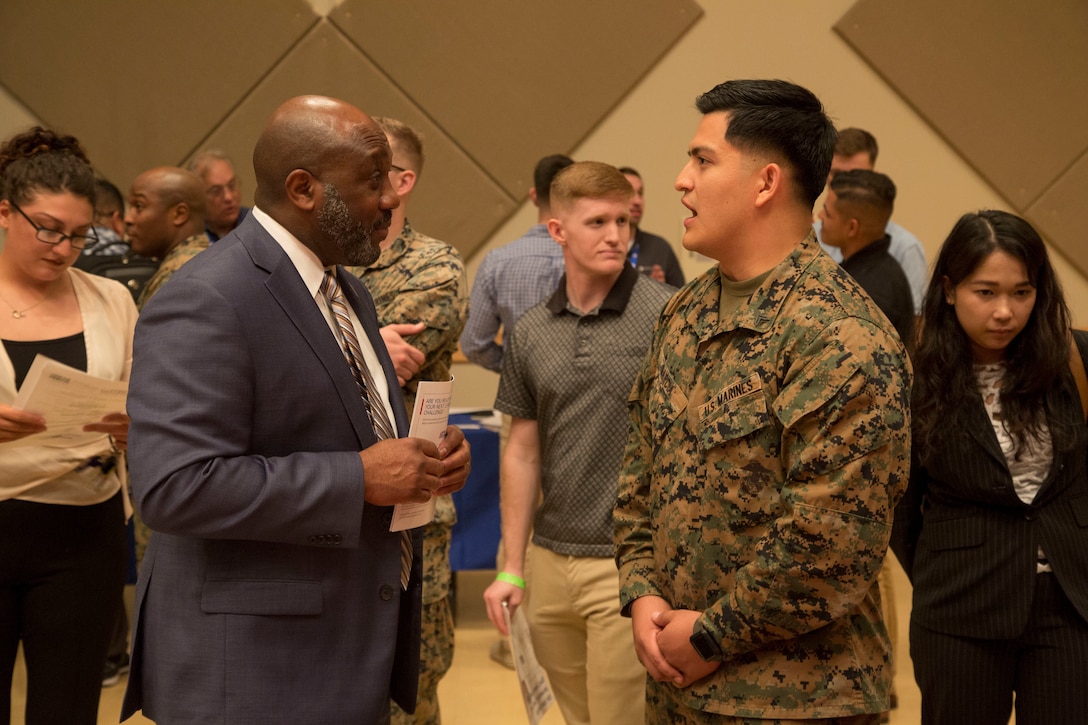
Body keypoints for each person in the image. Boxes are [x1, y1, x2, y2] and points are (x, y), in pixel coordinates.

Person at [120, 95, 471, 724]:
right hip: (252, 669)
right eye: (372, 180)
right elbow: (173, 485)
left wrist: (422, 461)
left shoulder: (347, 290)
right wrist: (359, 478)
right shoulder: (207, 297)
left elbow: (348, 426)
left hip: (338, 651)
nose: (391, 198)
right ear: (304, 189)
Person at [613, 79, 912, 724]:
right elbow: (640, 471)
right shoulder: (685, 313)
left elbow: (831, 541)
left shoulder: (839, 334)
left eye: (702, 159)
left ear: (765, 183)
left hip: (795, 701)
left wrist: (713, 635)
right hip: (675, 688)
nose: (681, 181)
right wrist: (641, 594)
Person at [483, 162, 672, 724]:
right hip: (548, 562)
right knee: (570, 717)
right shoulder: (532, 330)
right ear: (557, 231)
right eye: (596, 222)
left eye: (622, 220)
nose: (615, 235)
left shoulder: (667, 314)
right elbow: (522, 450)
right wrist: (512, 567)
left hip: (629, 563)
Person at [891, 210, 1088, 725]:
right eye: (987, 292)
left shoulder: (1074, 361)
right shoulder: (913, 372)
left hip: (1068, 602)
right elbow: (901, 505)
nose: (1005, 311)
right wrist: (948, 564)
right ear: (951, 290)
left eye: (1022, 293)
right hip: (961, 603)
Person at [0, 127, 137, 724]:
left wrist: (138, 427)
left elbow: (140, 396)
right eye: (48, 229)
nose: (62, 248)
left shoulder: (111, 299)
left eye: (79, 236)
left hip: (85, 526)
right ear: (5, 213)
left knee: (68, 708)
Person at [347, 116, 468, 725]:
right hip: (335, 501)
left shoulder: (434, 266)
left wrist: (344, 348)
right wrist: (369, 345)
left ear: (402, 180)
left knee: (413, 690)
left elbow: (398, 364)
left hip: (414, 511)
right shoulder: (324, 267)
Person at [459, 153, 573, 373]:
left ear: (533, 196)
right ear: (577, 198)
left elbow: (473, 343)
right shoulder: (593, 261)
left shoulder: (497, 262)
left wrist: (515, 371)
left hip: (520, 399)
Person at [815, 128, 928, 313]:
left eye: (855, 176)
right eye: (836, 174)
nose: (845, 184)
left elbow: (916, 328)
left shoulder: (906, 248)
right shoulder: (813, 235)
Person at [818, 169, 914, 345]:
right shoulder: (860, 268)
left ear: (852, 228)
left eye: (828, 213)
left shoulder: (870, 295)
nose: (820, 216)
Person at [124, 166, 210, 310]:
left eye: (139, 206)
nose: (128, 218)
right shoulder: (210, 260)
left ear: (179, 214)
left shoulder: (177, 277)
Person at [619, 166, 685, 287]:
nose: (637, 201)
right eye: (629, 192)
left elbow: (684, 301)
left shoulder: (660, 248)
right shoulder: (601, 246)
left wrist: (660, 291)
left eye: (640, 193)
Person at [187, 149, 250, 241]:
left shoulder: (258, 224)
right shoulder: (192, 241)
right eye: (216, 191)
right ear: (198, 197)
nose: (228, 197)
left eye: (231, 185)